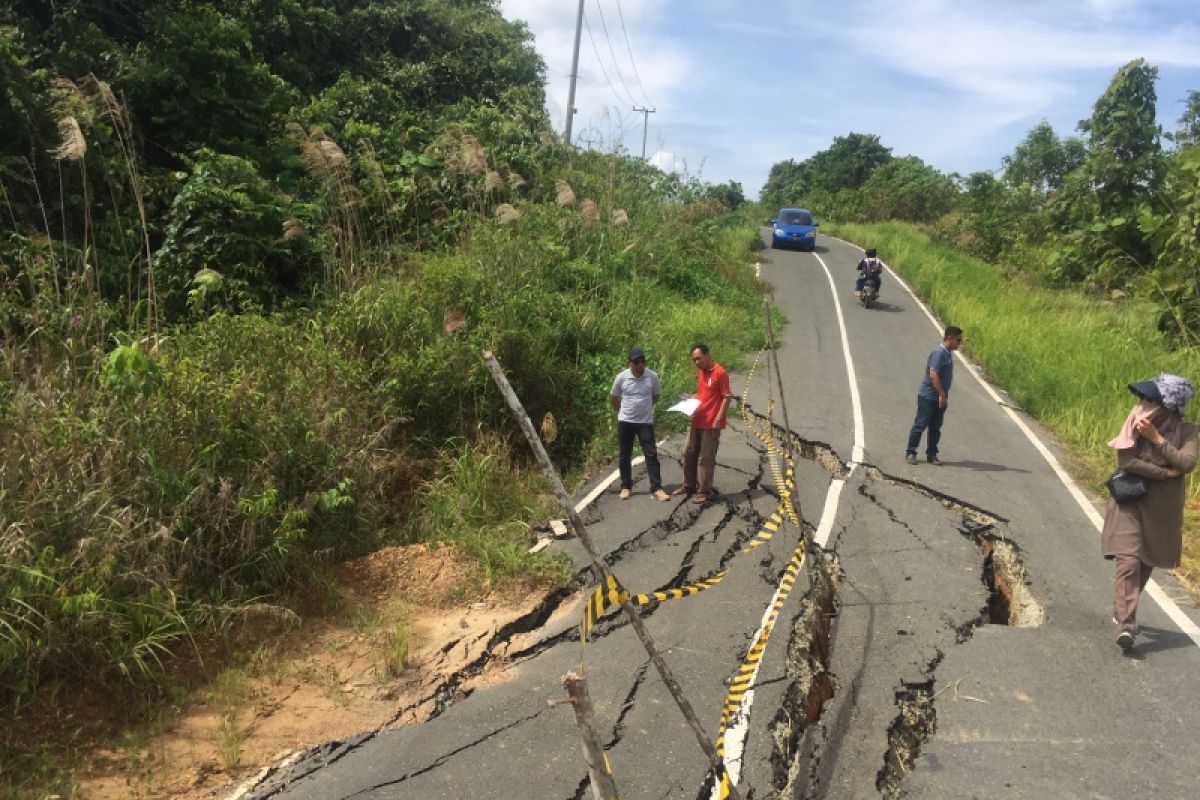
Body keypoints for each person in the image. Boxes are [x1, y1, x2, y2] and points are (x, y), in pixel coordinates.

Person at [1101, 374, 1197, 651]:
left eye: (1151, 400)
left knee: (1145, 562)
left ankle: (1122, 607)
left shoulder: (1188, 431)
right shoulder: (1133, 425)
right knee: (1128, 560)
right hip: (1130, 500)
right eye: (1142, 398)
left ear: (1169, 406)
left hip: (1162, 509)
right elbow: (1127, 461)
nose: (1142, 404)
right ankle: (1127, 626)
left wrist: (1156, 439)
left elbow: (1187, 462)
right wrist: (1165, 473)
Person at [673, 343, 733, 504]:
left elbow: (727, 397)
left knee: (705, 458)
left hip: (710, 423)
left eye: (699, 358)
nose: (697, 362)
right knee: (688, 452)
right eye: (694, 360)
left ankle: (705, 492)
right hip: (697, 419)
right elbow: (702, 394)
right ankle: (689, 485)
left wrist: (718, 418)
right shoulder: (701, 372)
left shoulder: (720, 373)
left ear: (707, 355)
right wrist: (690, 397)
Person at [609, 347, 670, 501]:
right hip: (626, 421)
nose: (640, 365)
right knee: (625, 455)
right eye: (636, 362)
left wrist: (645, 408)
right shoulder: (622, 378)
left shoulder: (652, 377)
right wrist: (622, 410)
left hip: (645, 422)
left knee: (651, 454)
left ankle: (657, 488)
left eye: (643, 361)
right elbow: (614, 397)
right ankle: (625, 487)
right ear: (629, 363)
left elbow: (655, 396)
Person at [905, 326, 964, 466]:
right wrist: (942, 394)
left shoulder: (948, 353)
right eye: (959, 340)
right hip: (929, 397)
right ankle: (911, 452)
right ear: (950, 338)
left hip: (939, 397)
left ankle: (932, 454)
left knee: (935, 428)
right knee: (920, 425)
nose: (960, 343)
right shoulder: (939, 353)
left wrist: (943, 396)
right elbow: (933, 375)